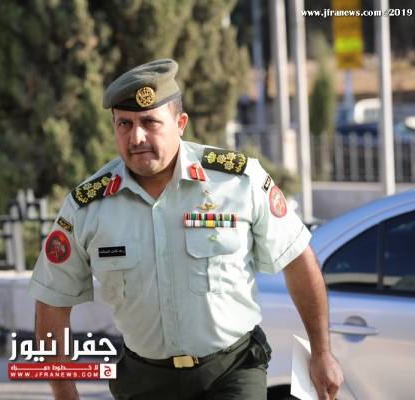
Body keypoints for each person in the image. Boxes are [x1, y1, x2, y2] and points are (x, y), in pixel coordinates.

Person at [27, 59, 343, 400]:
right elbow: (52, 301)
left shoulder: (238, 182)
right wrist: (65, 393)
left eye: (150, 122)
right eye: (124, 124)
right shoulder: (87, 206)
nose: (137, 137)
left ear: (180, 124)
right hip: (145, 380)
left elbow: (297, 259)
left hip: (232, 371)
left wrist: (322, 353)